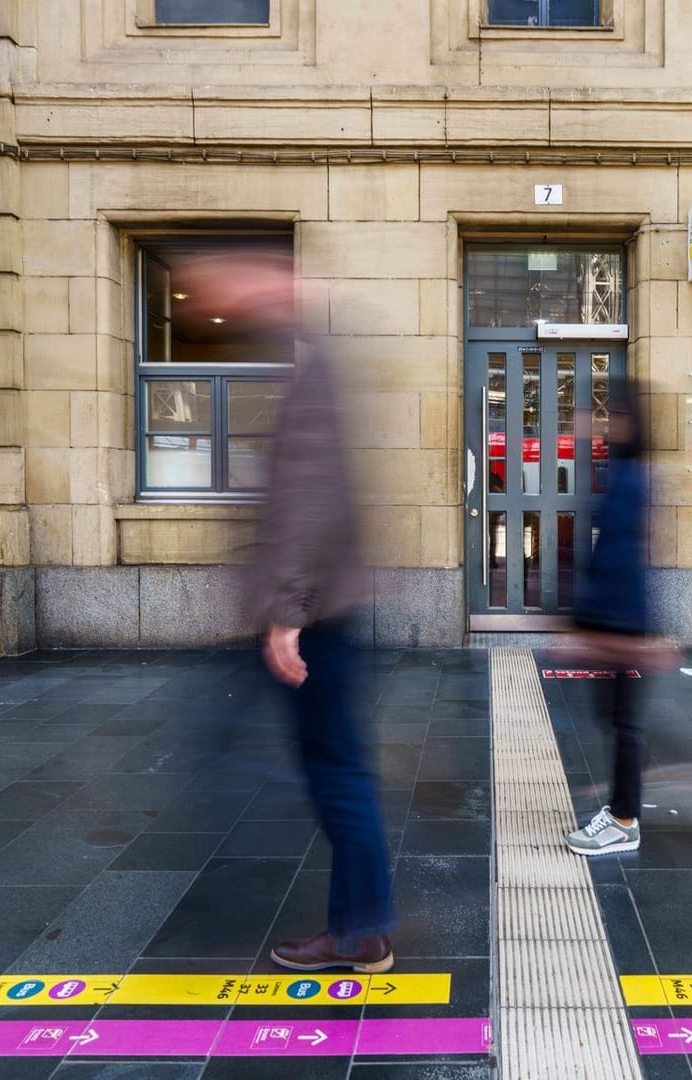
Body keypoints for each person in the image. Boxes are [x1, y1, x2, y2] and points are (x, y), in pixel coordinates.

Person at [247, 258, 396, 974]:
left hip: (319, 619)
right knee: (339, 771)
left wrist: (287, 614)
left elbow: (307, 497)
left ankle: (360, 932)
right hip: (326, 611)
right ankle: (358, 928)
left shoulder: (311, 374)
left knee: (337, 774)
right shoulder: (316, 370)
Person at [563, 389, 667, 857]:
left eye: (614, 416)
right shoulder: (626, 473)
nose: (605, 424)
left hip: (623, 620)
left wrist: (597, 629)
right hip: (622, 619)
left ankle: (624, 819)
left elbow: (623, 558)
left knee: (623, 721)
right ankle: (623, 809)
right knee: (616, 717)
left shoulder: (633, 477)